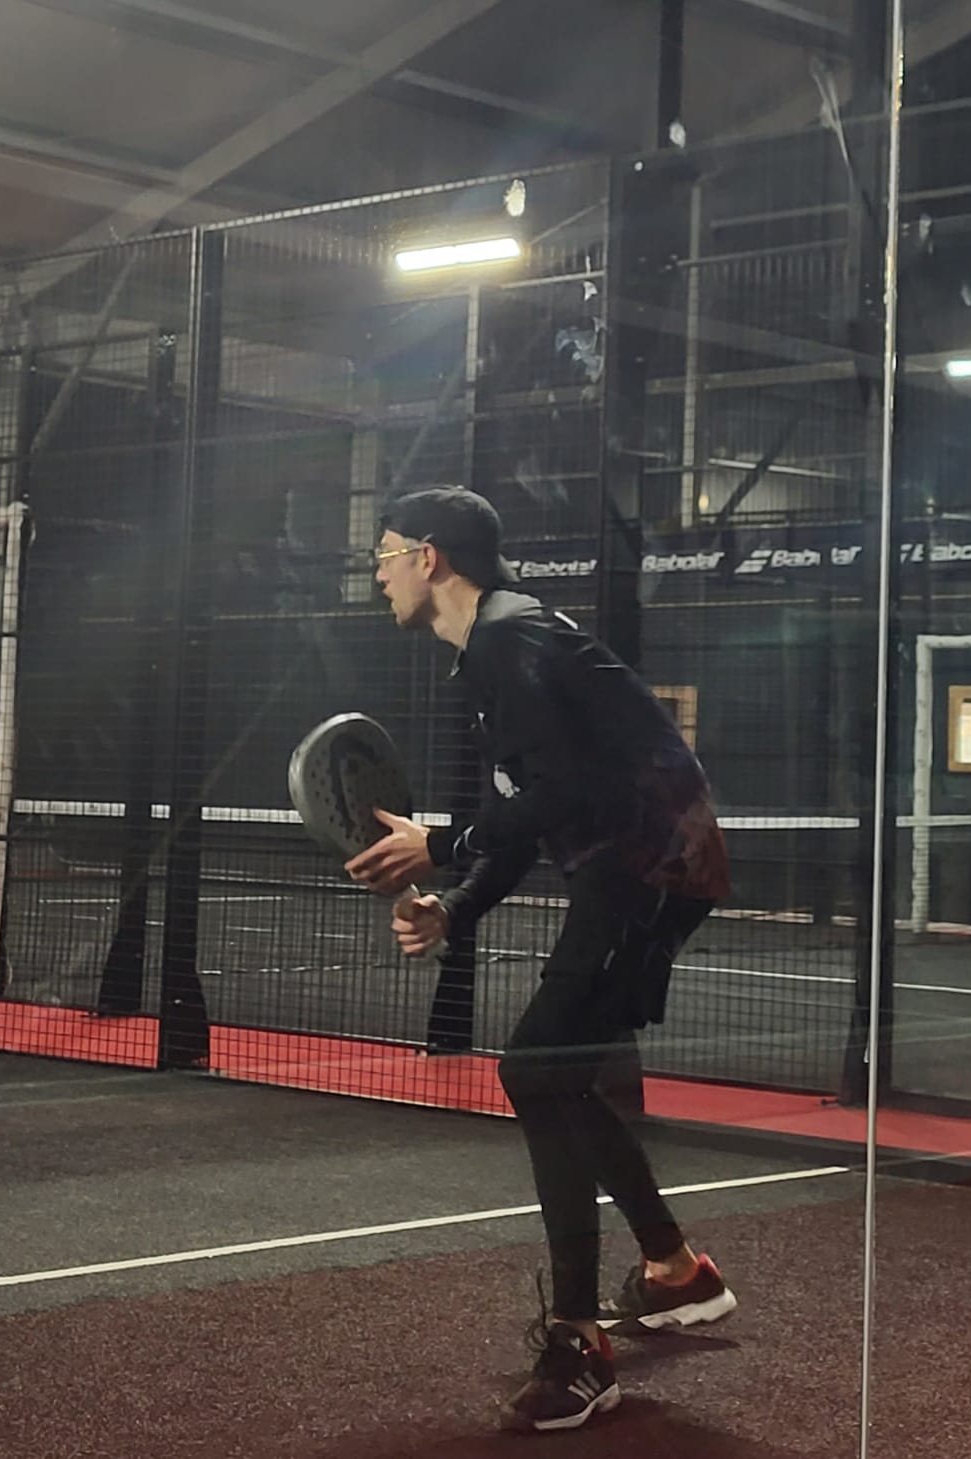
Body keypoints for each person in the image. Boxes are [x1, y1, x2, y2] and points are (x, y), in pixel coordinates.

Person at [345, 486, 737, 1434]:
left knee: (535, 1067)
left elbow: (562, 793)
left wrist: (441, 844)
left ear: (430, 556)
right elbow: (528, 814)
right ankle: (675, 1270)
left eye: (385, 554)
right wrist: (455, 904)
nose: (378, 572)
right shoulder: (499, 646)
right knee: (549, 1072)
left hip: (651, 865)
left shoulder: (508, 639)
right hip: (636, 866)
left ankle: (579, 1343)